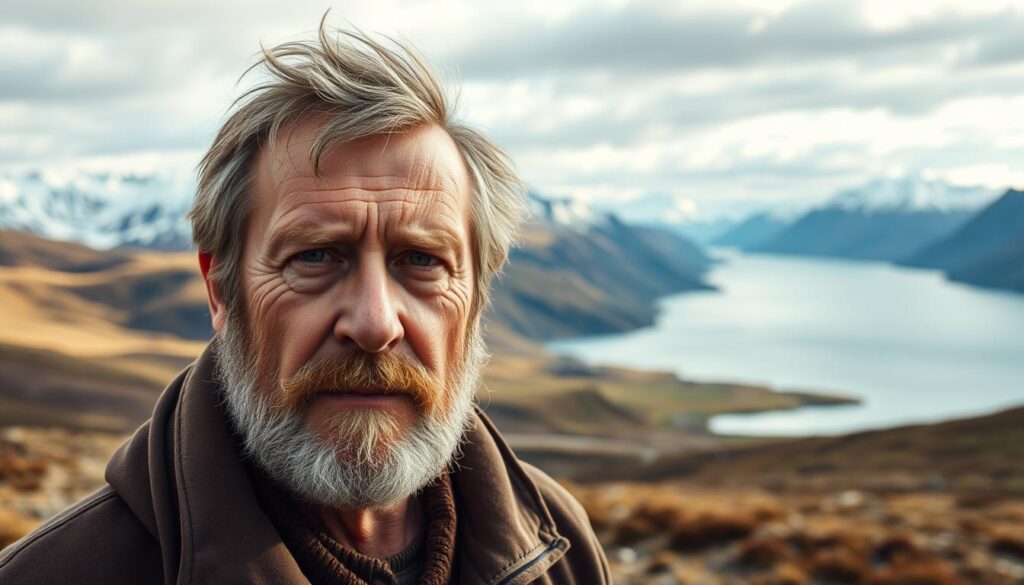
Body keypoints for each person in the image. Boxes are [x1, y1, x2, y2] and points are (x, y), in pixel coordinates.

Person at [0, 22, 610, 585]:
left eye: (423, 261)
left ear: (476, 299)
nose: (374, 323)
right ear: (221, 291)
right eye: (315, 257)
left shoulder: (562, 550)